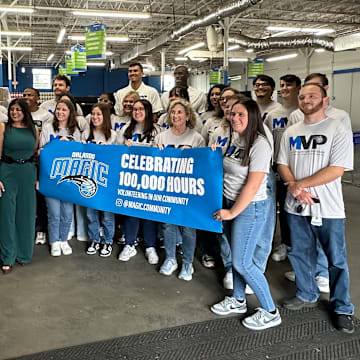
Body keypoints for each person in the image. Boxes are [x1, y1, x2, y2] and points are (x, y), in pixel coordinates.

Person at [277, 83, 354, 334]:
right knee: (299, 253)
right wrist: (294, 187)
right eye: (302, 96)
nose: (306, 99)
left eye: (312, 96)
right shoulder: (291, 131)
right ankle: (306, 293)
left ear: (324, 99)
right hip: (296, 205)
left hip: (328, 207)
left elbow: (337, 169)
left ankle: (342, 307)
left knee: (336, 259)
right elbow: (282, 163)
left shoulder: (337, 128)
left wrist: (300, 185)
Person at [211, 99, 281, 331]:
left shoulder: (260, 144)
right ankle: (239, 300)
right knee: (237, 257)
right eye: (232, 114)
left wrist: (231, 212)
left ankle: (271, 311)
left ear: (252, 117)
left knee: (242, 262)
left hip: (249, 208)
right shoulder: (235, 139)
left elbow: (252, 186)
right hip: (232, 203)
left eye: (241, 114)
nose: (235, 118)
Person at [155, 99, 205, 281]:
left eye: (179, 112)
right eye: (172, 112)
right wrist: (157, 153)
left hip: (188, 189)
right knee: (168, 224)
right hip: (167, 188)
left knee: (188, 227)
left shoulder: (196, 138)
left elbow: (203, 165)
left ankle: (187, 263)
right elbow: (153, 164)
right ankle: (170, 258)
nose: (175, 115)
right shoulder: (161, 137)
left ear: (188, 116)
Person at [116, 99, 161, 265]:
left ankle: (150, 246)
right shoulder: (125, 130)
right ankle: (129, 244)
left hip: (150, 179)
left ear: (148, 111)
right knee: (131, 213)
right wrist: (123, 147)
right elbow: (115, 153)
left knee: (148, 213)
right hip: (130, 179)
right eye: (135, 109)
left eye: (141, 109)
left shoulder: (158, 131)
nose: (137, 112)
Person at [264, 75, 301, 263]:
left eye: (288, 85)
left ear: (298, 88)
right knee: (275, 210)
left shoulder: (303, 114)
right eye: (282, 85)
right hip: (276, 170)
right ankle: (283, 243)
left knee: (293, 212)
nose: (284, 88)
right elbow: (267, 144)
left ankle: (296, 245)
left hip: (298, 172)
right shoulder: (273, 115)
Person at [0, 99, 39, 274]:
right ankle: (7, 256)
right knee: (7, 216)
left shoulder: (34, 130)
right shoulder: (3, 128)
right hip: (8, 173)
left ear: (25, 111)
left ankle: (24, 254)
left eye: (18, 109)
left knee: (26, 214)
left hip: (28, 173)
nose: (14, 113)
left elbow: (34, 152)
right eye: (12, 109)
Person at [39, 99, 81, 257]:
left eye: (64, 110)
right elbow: (41, 151)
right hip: (50, 177)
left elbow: (80, 153)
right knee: (54, 212)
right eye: (58, 109)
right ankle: (54, 241)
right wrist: (56, 145)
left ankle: (64, 239)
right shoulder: (48, 128)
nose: (60, 112)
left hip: (69, 179)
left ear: (70, 112)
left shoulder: (75, 130)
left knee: (67, 212)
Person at [82, 103, 116, 257]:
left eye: (99, 114)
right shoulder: (85, 134)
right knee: (91, 213)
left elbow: (119, 157)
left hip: (107, 182)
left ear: (105, 117)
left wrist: (107, 150)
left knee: (107, 215)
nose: (95, 117)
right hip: (89, 180)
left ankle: (108, 241)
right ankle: (95, 239)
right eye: (93, 114)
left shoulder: (114, 135)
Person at [23, 87, 53, 245]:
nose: (27, 97)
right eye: (25, 95)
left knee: (40, 194)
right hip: (24, 160)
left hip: (39, 160)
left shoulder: (46, 115)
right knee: (26, 196)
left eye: (30, 95)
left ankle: (41, 229)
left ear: (38, 97)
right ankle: (26, 227)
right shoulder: (21, 114)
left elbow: (45, 137)